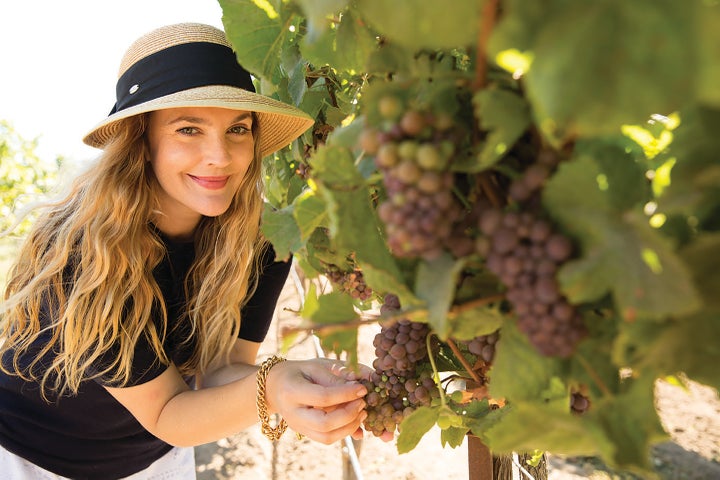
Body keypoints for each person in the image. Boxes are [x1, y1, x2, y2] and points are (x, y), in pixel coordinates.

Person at [0, 22, 371, 479]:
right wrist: (274, 389)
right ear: (143, 143)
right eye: (189, 129)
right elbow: (169, 414)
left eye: (237, 129)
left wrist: (312, 385)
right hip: (25, 459)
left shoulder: (261, 241)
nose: (220, 155)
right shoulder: (87, 251)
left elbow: (223, 369)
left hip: (152, 461)